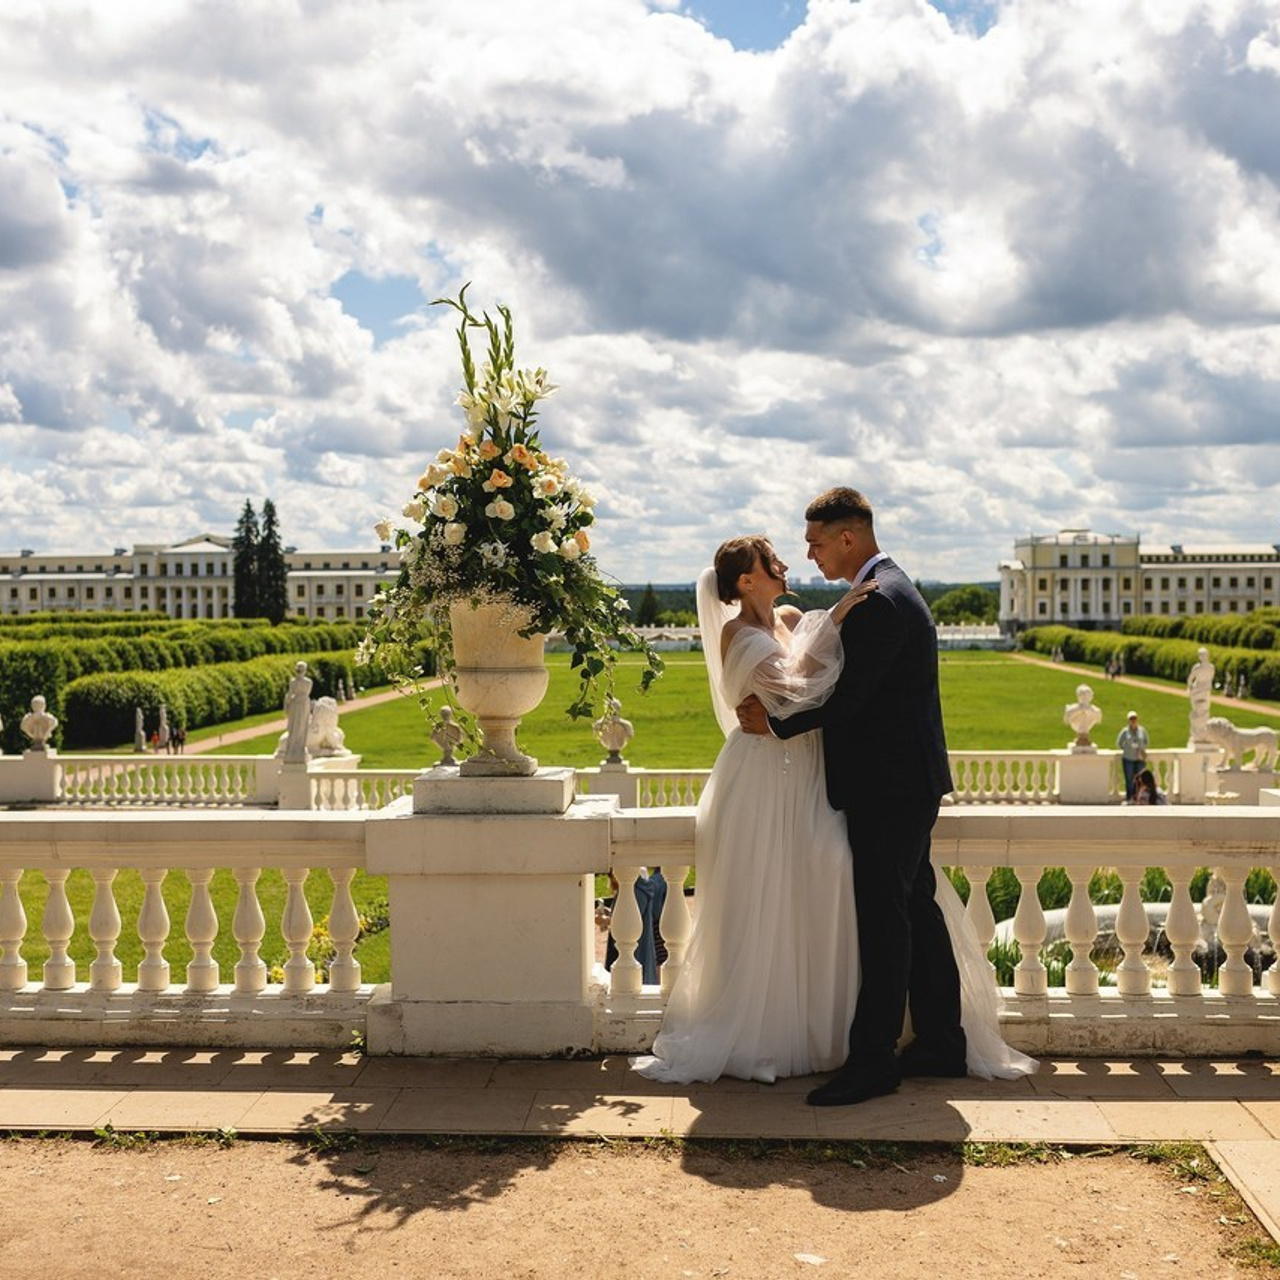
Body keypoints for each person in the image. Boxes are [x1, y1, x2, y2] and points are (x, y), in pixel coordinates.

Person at [738, 488, 1033, 1105]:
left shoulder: (881, 603)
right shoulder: (889, 589)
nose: (810, 555)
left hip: (888, 787)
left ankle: (873, 1061)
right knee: (916, 912)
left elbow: (852, 702)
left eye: (817, 543)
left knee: (884, 921)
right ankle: (942, 1044)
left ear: (849, 537)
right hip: (904, 782)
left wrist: (777, 723)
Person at [1115, 711, 1149, 799]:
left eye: (1134, 718)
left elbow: (1146, 741)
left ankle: (1138, 797)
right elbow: (1119, 743)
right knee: (1129, 779)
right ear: (1128, 720)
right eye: (1131, 719)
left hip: (1140, 758)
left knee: (1140, 779)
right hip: (1128, 758)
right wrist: (1126, 748)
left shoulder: (1142, 730)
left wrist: (1142, 748)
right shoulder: (1125, 731)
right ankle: (1129, 797)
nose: (1133, 720)